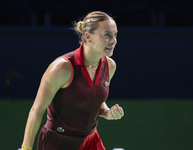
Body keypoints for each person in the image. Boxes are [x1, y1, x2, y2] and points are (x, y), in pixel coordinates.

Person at [21, 11, 124, 150]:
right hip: (58, 142)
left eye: (115, 35)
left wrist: (106, 112)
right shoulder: (62, 68)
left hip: (91, 140)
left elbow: (93, 97)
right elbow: (37, 110)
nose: (113, 41)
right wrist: (26, 148)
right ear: (88, 36)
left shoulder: (110, 66)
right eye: (107, 35)